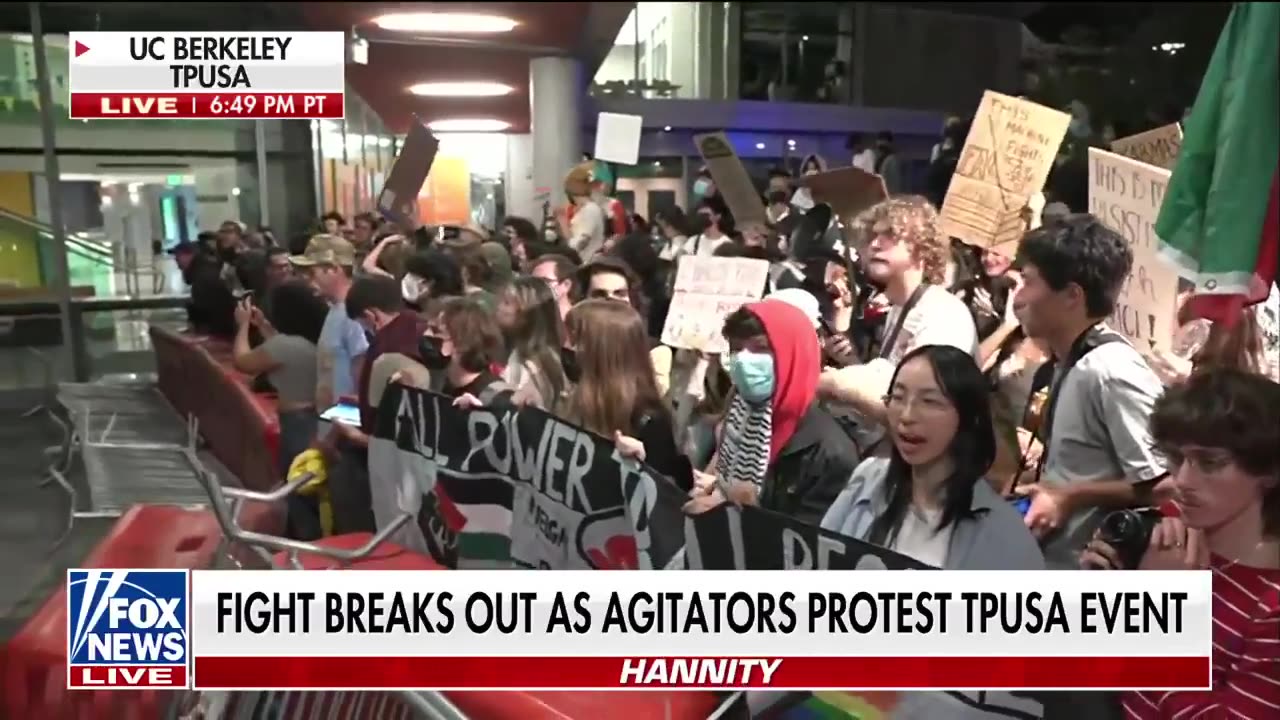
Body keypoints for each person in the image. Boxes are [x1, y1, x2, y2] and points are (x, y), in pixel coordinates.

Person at [1080, 369, 1280, 720]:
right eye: (1175, 458)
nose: (1182, 480)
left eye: (1210, 463)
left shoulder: (1270, 605)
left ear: (1268, 471)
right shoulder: (1166, 528)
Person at [1010, 214, 1167, 569]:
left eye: (1028, 283)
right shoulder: (1070, 360)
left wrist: (1070, 496)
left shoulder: (1111, 369)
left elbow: (1167, 484)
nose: (1018, 298)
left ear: (1072, 296)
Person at [823, 344, 1043, 569]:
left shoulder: (1005, 535)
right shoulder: (868, 479)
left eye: (929, 401)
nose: (907, 416)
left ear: (970, 417)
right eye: (897, 397)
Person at [818, 197, 978, 452]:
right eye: (872, 236)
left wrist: (840, 385)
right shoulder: (900, 308)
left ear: (923, 246)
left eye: (890, 234)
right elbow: (892, 390)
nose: (874, 244)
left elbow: (922, 417)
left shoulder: (943, 315)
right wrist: (854, 366)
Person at [687, 300, 861, 525]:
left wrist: (744, 513)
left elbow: (806, 550)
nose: (743, 359)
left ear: (793, 356)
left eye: (760, 348)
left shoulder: (830, 454)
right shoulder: (741, 414)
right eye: (737, 349)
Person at [230, 281, 329, 540]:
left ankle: (307, 545)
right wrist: (263, 327)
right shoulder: (309, 340)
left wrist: (242, 327)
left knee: (297, 488)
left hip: (297, 423)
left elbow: (243, 362)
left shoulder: (285, 345)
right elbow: (283, 350)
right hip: (314, 417)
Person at [571, 300, 693, 491]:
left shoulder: (650, 421)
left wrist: (640, 468)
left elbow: (665, 503)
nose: (572, 348)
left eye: (579, 340)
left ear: (606, 352)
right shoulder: (575, 397)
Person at [290, 234, 368, 412]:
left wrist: (333, 435)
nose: (307, 280)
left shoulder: (354, 315)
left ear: (334, 269)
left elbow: (362, 384)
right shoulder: (336, 310)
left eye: (312, 273)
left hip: (346, 428)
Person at [496, 277, 569, 409]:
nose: (499, 307)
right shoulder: (548, 354)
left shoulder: (526, 364)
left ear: (526, 316)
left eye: (507, 303)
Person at [426, 296, 513, 404]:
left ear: (462, 344)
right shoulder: (439, 383)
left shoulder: (496, 396)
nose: (427, 335)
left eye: (436, 331)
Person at [563, 162, 607, 261]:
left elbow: (580, 243)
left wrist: (563, 224)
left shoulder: (590, 210)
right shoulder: (588, 209)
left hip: (586, 262)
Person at [529, 253, 578, 321]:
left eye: (542, 282)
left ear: (566, 285)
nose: (534, 288)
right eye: (532, 283)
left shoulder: (581, 323)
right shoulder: (533, 323)